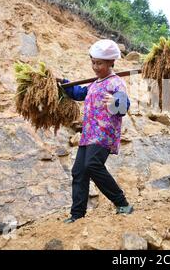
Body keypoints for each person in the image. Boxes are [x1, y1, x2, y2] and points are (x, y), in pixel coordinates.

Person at [61, 39, 133, 224]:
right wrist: (65, 84)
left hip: (104, 133)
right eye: (93, 62)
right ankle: (77, 215)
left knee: (92, 165)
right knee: (79, 171)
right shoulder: (94, 84)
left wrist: (115, 102)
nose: (95, 66)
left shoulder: (116, 83)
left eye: (99, 63)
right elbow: (79, 94)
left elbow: (124, 107)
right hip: (88, 134)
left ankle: (122, 203)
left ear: (111, 63)